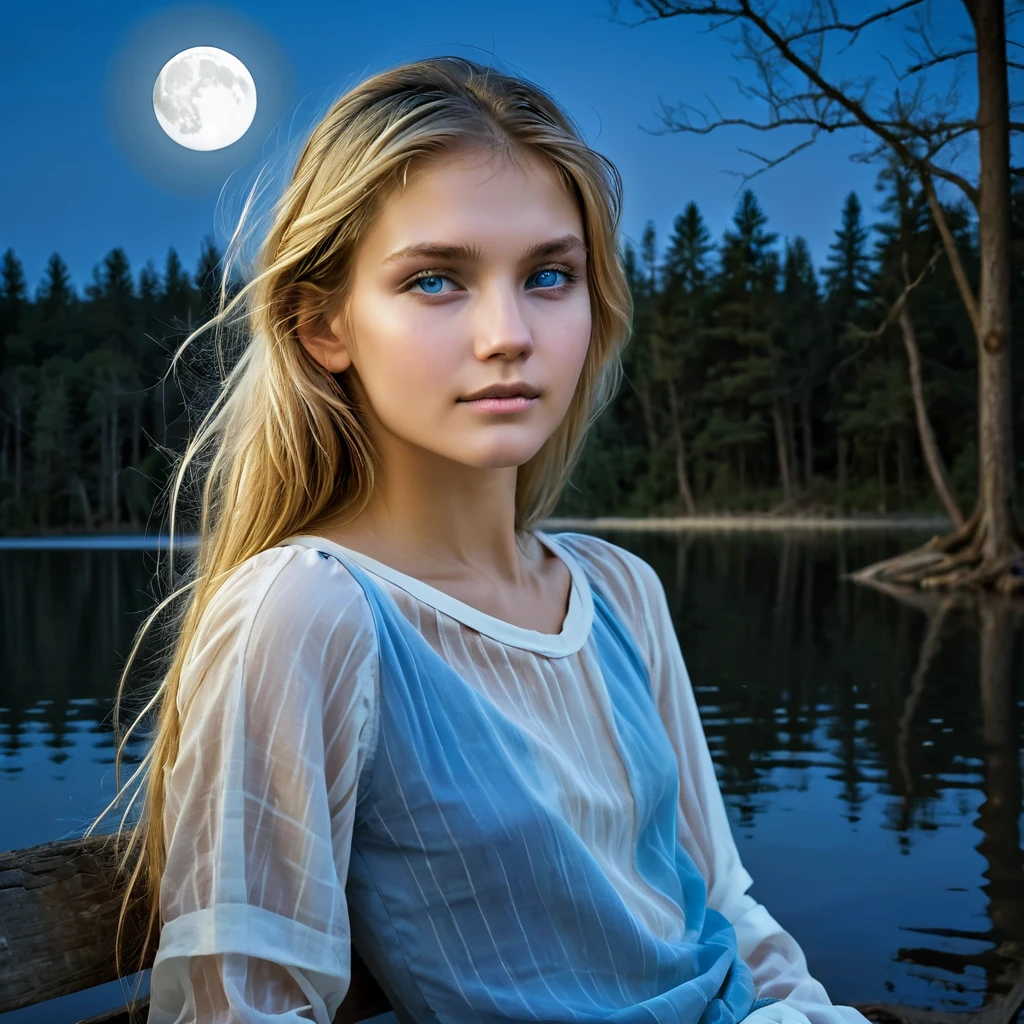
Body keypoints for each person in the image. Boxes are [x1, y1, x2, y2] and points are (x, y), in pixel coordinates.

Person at [87, 56, 873, 1024]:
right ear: (322, 321)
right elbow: (234, 1010)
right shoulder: (309, 611)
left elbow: (724, 908)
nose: (507, 333)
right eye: (434, 281)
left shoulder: (618, 590)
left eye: (549, 275)